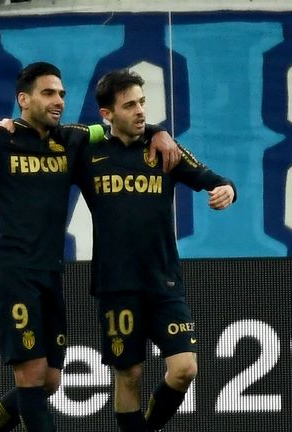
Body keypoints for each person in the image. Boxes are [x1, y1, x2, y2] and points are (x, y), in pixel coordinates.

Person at [0, 62, 179, 432]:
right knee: (30, 379)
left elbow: (120, 125)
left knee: (49, 381)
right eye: (48, 93)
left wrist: (159, 133)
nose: (58, 100)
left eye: (61, 93)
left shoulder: (72, 138)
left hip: (50, 273)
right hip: (12, 272)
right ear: (23, 100)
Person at [73, 69, 236, 432]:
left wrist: (227, 189)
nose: (140, 111)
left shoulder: (163, 147)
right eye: (129, 105)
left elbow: (213, 178)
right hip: (116, 284)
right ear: (107, 114)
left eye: (142, 103)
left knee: (185, 369)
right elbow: (51, 135)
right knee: (128, 377)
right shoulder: (88, 150)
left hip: (163, 282)